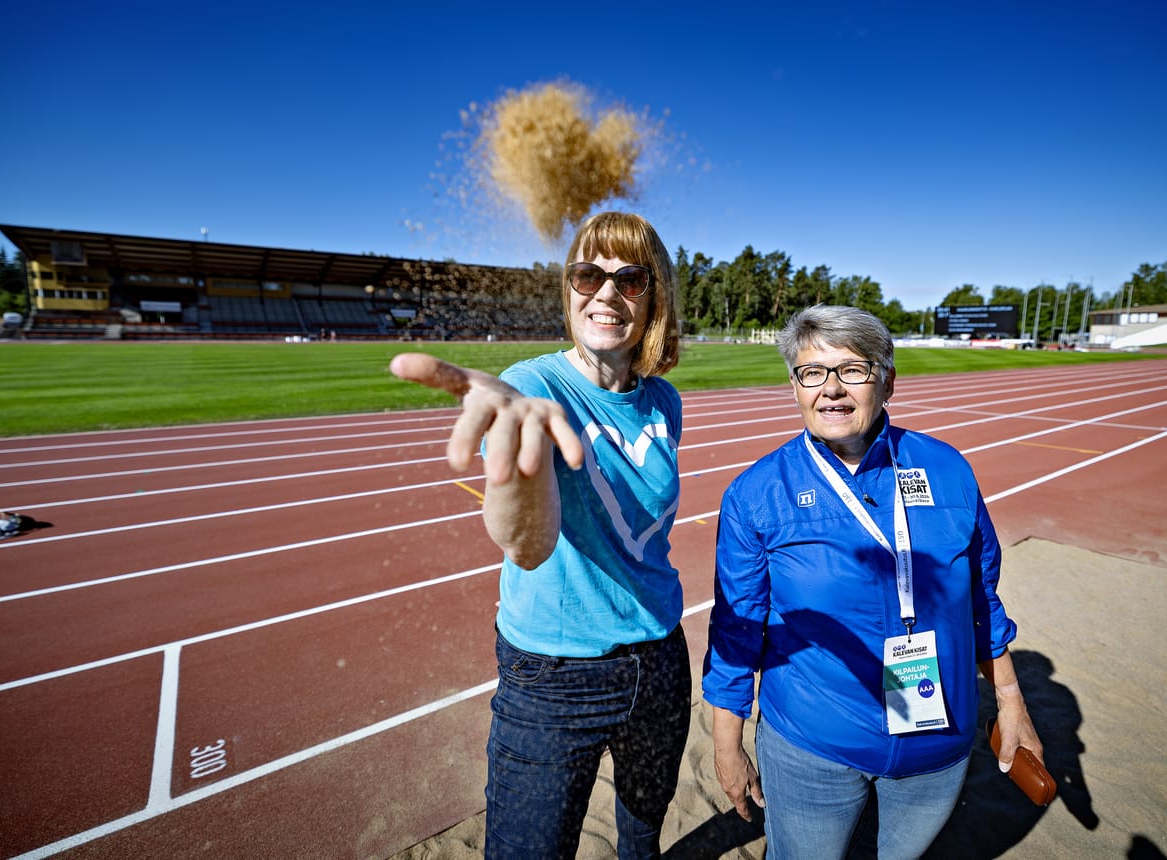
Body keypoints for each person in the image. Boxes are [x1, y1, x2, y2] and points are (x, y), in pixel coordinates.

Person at [389, 211, 690, 860]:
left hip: (661, 657)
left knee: (643, 832)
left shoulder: (664, 402)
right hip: (554, 681)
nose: (605, 293)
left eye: (629, 279)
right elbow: (525, 545)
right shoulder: (534, 388)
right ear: (569, 290)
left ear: (654, 296)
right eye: (588, 275)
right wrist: (516, 466)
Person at [702, 304, 1044, 859]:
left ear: (887, 380)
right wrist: (727, 745)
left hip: (937, 741)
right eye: (812, 373)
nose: (831, 389)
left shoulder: (948, 468)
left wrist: (1010, 698)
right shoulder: (757, 493)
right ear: (795, 386)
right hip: (813, 747)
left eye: (853, 369)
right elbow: (736, 631)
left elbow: (981, 597)